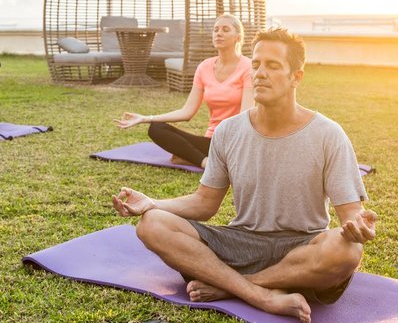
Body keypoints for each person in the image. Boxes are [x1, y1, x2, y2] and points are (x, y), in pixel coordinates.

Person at [112, 28, 377, 323]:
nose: (260, 73)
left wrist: (358, 228)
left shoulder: (329, 134)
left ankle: (232, 285)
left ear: (296, 77)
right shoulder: (228, 131)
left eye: (273, 66)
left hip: (302, 248)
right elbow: (204, 204)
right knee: (152, 224)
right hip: (239, 242)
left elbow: (351, 216)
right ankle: (260, 294)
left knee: (348, 251)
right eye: (256, 64)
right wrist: (153, 202)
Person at [115, 14, 254, 168]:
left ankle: (192, 157)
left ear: (238, 37)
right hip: (211, 142)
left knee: (230, 148)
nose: (218, 33)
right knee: (156, 128)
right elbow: (187, 112)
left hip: (235, 141)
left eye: (225, 29)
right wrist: (145, 118)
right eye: (215, 30)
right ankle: (206, 163)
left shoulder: (248, 68)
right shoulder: (204, 67)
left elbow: (244, 119)